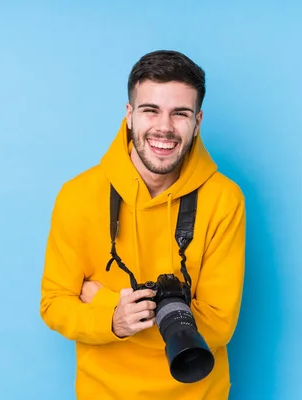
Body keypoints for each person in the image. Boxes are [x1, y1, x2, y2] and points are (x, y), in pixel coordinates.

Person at [39, 49, 246, 399]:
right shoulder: (77, 195)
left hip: (197, 392)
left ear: (197, 122)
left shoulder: (225, 199)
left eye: (180, 113)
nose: (164, 128)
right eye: (151, 110)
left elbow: (218, 326)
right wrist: (114, 319)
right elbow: (54, 305)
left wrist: (99, 300)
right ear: (130, 115)